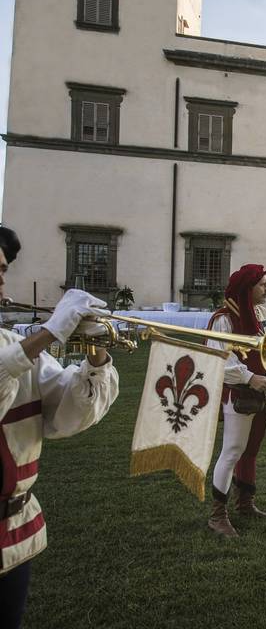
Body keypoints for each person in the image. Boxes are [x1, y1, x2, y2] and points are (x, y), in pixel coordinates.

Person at [0, 226, 119, 628]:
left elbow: (67, 414)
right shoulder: (14, 352)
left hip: (13, 533)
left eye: (2, 270)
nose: (2, 280)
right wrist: (51, 331)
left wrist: (97, 352)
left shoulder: (9, 344)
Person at [206, 264, 266, 537]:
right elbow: (219, 360)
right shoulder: (223, 319)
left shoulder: (258, 314)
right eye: (262, 284)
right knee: (232, 450)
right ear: (248, 288)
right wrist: (249, 378)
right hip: (239, 394)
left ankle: (245, 503)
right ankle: (217, 515)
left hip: (260, 390)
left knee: (251, 450)